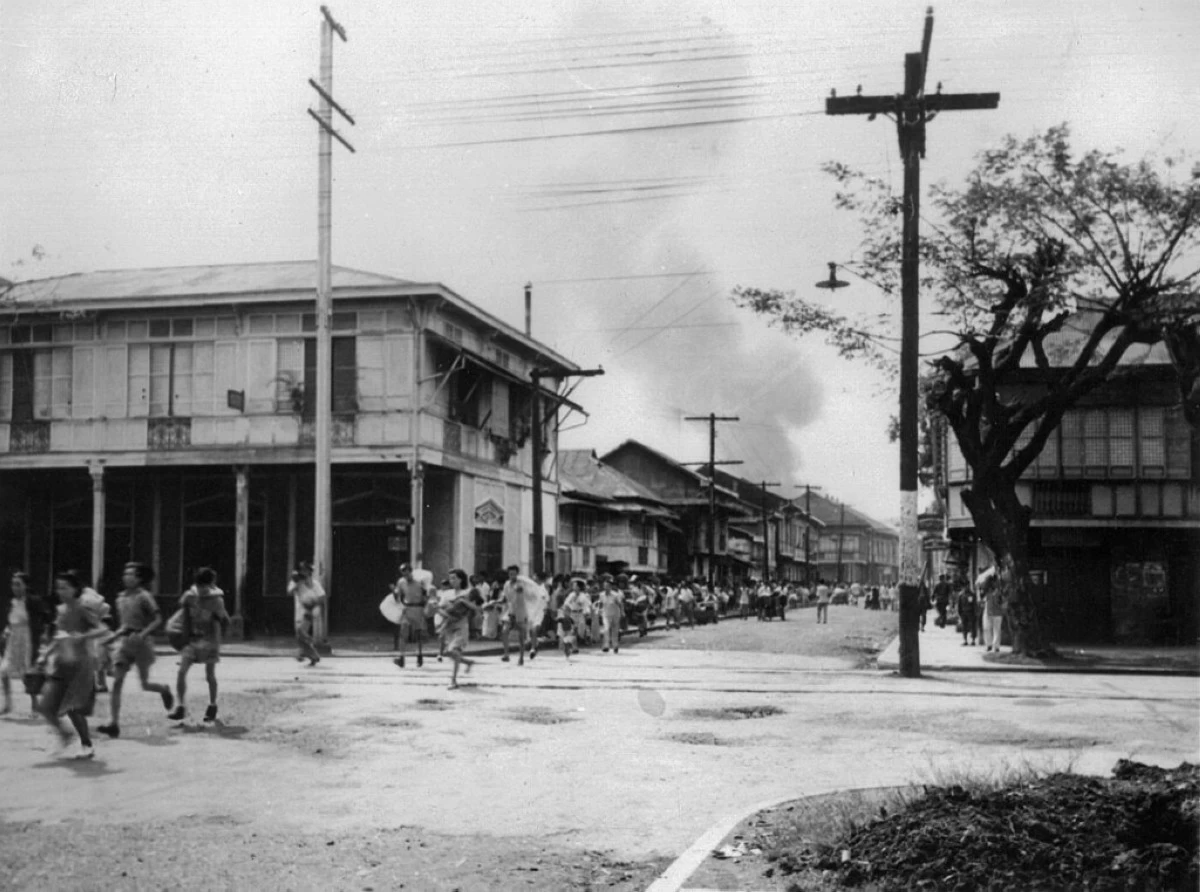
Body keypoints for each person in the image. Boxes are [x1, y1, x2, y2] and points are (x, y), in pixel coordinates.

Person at [97, 562, 174, 739]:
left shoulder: (144, 596)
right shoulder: (120, 598)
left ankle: (164, 690)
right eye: (125, 573)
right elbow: (124, 625)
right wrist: (112, 637)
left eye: (131, 574)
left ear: (139, 578)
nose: (126, 577)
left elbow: (157, 619)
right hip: (125, 642)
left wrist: (143, 634)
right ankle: (113, 723)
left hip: (142, 643)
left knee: (145, 684)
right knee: (117, 681)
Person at [39, 571, 110, 759]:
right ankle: (64, 735)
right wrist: (46, 653)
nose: (60, 591)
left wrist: (84, 636)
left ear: (75, 589)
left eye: (65, 587)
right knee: (46, 706)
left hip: (81, 665)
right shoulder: (61, 610)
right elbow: (60, 634)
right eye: (58, 588)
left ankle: (87, 744)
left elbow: (104, 630)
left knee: (74, 708)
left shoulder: (82, 608)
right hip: (62, 662)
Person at [169, 567, 230, 723]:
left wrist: (218, 637)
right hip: (192, 639)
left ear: (211, 585)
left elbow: (224, 620)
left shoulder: (217, 600)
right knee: (181, 671)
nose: (203, 589)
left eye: (206, 585)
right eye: (200, 585)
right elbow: (183, 614)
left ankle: (212, 705)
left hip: (210, 640)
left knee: (209, 675)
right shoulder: (189, 596)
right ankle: (181, 706)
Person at [2, 571, 49, 715]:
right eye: (13, 584)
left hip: (28, 638)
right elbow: (10, 620)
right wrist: (6, 631)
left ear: (26, 586)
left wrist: (45, 634)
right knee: (4, 671)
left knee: (29, 673)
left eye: (18, 584)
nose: (14, 587)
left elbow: (46, 618)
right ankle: (8, 704)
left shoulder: (33, 601)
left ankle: (35, 706)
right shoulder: (11, 602)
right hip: (13, 639)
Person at [437, 570, 479, 689]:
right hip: (449, 625)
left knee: (453, 650)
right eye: (450, 578)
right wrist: (445, 615)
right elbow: (439, 608)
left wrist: (463, 601)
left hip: (461, 626)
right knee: (448, 653)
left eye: (454, 578)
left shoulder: (467, 593)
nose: (452, 581)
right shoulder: (447, 594)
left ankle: (453, 681)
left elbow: (475, 608)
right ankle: (467, 662)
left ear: (461, 579)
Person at [392, 563, 429, 669]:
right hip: (407, 609)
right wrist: (395, 594)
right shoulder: (401, 582)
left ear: (410, 571)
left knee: (418, 635)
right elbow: (398, 596)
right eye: (403, 573)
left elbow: (426, 596)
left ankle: (419, 656)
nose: (405, 576)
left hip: (418, 609)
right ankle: (401, 658)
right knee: (403, 634)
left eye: (407, 573)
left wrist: (426, 608)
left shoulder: (420, 582)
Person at [289, 564, 322, 666]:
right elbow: (290, 591)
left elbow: (321, 595)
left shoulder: (314, 583)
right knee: (299, 635)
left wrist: (315, 605)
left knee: (301, 631)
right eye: (302, 570)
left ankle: (303, 652)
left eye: (307, 571)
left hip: (309, 610)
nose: (304, 573)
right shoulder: (296, 582)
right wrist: (297, 582)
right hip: (298, 610)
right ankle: (313, 656)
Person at [597, 574, 623, 653]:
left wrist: (622, 612)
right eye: (604, 586)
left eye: (607, 586)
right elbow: (600, 603)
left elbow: (620, 604)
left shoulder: (615, 595)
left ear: (610, 587)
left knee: (614, 631)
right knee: (606, 629)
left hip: (615, 615)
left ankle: (615, 646)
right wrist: (599, 610)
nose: (606, 587)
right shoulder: (601, 595)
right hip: (606, 615)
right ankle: (606, 646)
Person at [981, 570, 1004, 652]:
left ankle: (996, 646)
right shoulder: (987, 592)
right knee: (986, 628)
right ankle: (989, 644)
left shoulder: (1000, 591)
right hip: (988, 611)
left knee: (997, 630)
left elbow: (1002, 601)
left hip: (997, 612)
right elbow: (982, 598)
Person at [955, 577, 979, 647]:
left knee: (972, 627)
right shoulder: (961, 595)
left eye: (967, 586)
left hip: (971, 613)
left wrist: (975, 613)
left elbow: (974, 604)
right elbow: (959, 605)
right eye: (964, 586)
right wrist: (959, 613)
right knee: (964, 627)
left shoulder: (972, 594)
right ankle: (965, 640)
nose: (966, 587)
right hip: (963, 613)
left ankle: (973, 640)